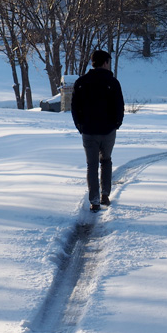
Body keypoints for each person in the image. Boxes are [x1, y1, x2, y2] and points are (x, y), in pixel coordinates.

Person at [71, 50, 125, 212]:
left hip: (88, 131)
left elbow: (74, 107)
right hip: (108, 130)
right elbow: (119, 106)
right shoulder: (113, 82)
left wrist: (79, 125)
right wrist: (116, 124)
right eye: (109, 61)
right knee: (106, 161)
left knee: (92, 165)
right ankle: (105, 195)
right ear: (105, 62)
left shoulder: (81, 82)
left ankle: (94, 201)